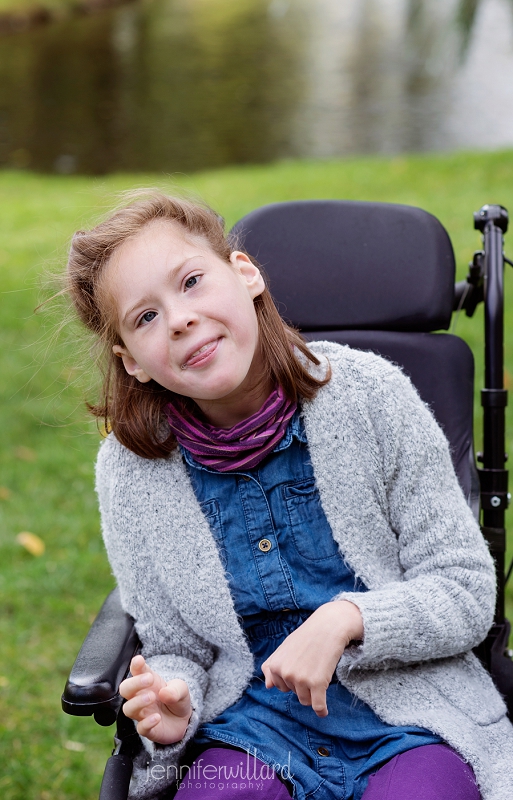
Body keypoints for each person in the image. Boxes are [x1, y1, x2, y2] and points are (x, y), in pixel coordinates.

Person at [65, 190, 513, 800]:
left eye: (192, 281)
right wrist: (173, 707)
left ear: (245, 273)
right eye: (145, 317)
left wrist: (348, 617)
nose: (178, 318)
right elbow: (174, 648)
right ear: (133, 361)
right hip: (249, 728)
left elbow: (464, 589)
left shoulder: (372, 397)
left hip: (413, 714)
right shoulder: (131, 469)